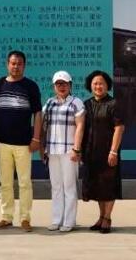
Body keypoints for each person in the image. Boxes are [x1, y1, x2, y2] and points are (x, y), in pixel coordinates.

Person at [0, 50, 43, 233]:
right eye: (13, 63)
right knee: (5, 183)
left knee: (24, 183)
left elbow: (38, 113)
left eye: (19, 63)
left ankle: (25, 218)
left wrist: (36, 138)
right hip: (2, 142)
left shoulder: (31, 86)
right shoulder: (0, 84)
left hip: (24, 143)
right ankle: (6, 217)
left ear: (24, 65)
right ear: (8, 64)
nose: (16, 66)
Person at [41, 70, 85, 232]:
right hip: (52, 151)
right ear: (54, 86)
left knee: (69, 186)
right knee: (56, 186)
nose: (61, 86)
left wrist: (76, 148)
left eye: (65, 84)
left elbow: (80, 126)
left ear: (70, 85)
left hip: (69, 151)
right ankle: (56, 219)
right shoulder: (49, 103)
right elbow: (43, 126)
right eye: (58, 84)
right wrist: (42, 148)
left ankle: (69, 221)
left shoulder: (76, 102)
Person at [82, 70, 125, 234]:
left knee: (109, 185)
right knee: (98, 187)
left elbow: (119, 128)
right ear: (90, 86)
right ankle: (101, 217)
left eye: (101, 83)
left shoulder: (114, 104)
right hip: (92, 152)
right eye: (95, 84)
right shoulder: (87, 104)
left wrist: (113, 151)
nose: (98, 86)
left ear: (107, 85)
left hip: (108, 152)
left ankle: (107, 218)